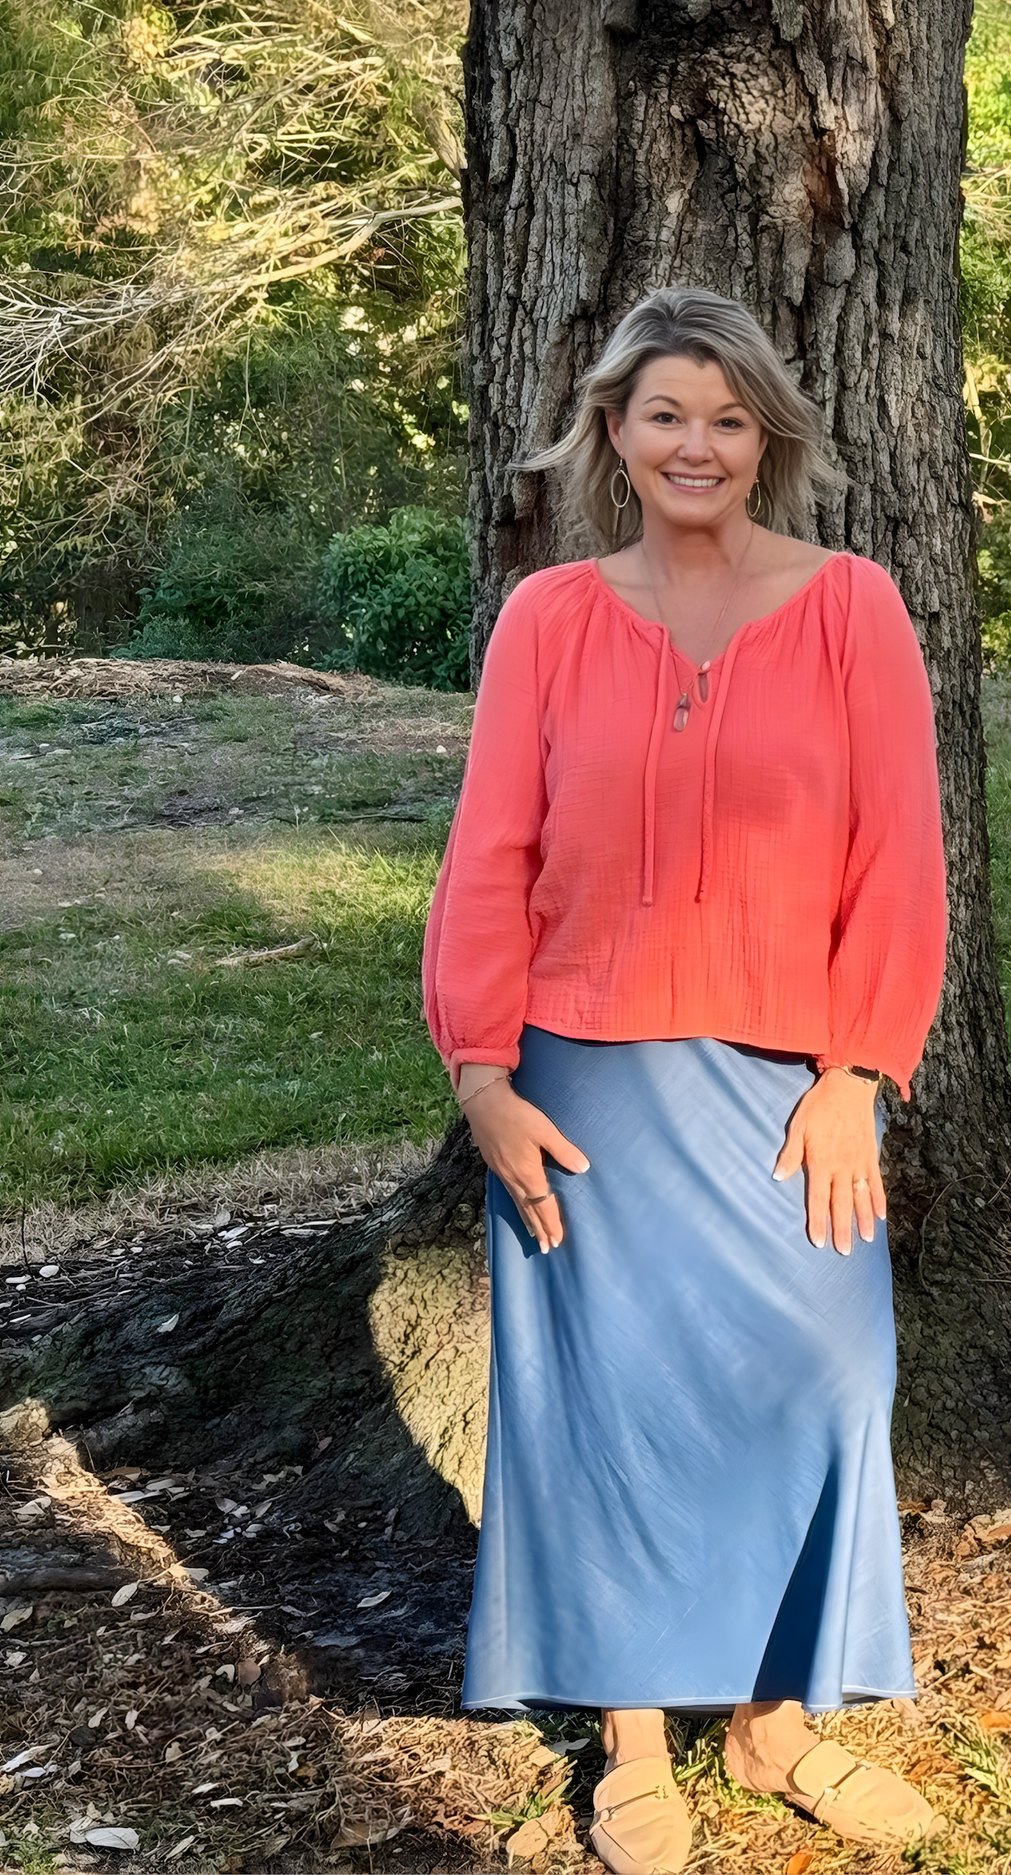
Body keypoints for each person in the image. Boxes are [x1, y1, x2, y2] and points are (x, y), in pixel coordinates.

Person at [420, 286, 950, 1874]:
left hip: (794, 1084)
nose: (696, 444)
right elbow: (490, 853)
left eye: (726, 417)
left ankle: (778, 1721)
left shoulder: (854, 607)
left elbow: (900, 857)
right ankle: (636, 1741)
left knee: (830, 1382)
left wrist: (859, 1070)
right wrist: (481, 1074)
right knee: (611, 1410)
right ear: (616, 432)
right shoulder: (548, 619)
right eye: (666, 415)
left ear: (767, 436)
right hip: (585, 1087)